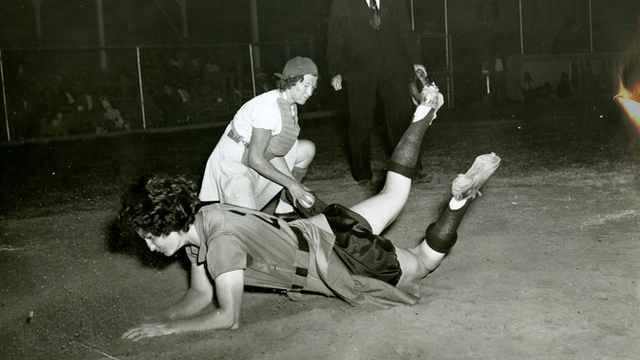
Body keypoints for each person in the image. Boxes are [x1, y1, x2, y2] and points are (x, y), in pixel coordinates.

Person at [118, 80, 501, 340]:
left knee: (422, 263)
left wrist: (169, 331)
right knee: (394, 190)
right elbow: (201, 296)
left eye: (151, 237)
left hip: (343, 259)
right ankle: (421, 118)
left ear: (168, 222)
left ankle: (457, 202)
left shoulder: (218, 244)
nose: (151, 248)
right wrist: (165, 318)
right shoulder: (206, 218)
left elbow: (228, 318)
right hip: (326, 226)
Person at [199, 56, 319, 218]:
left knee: (306, 149)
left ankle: (284, 209)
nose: (310, 92)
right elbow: (255, 159)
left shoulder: (289, 105)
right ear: (291, 81)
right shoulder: (269, 108)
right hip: (233, 163)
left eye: (313, 87)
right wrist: (291, 183)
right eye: (305, 86)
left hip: (254, 156)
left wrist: (295, 185)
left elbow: (273, 152)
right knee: (250, 227)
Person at [326, 0, 428, 187]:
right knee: (360, 121)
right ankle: (362, 173)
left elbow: (406, 31)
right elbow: (335, 36)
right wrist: (335, 71)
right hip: (358, 70)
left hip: (394, 67)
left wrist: (416, 60)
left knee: (403, 118)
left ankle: (409, 169)